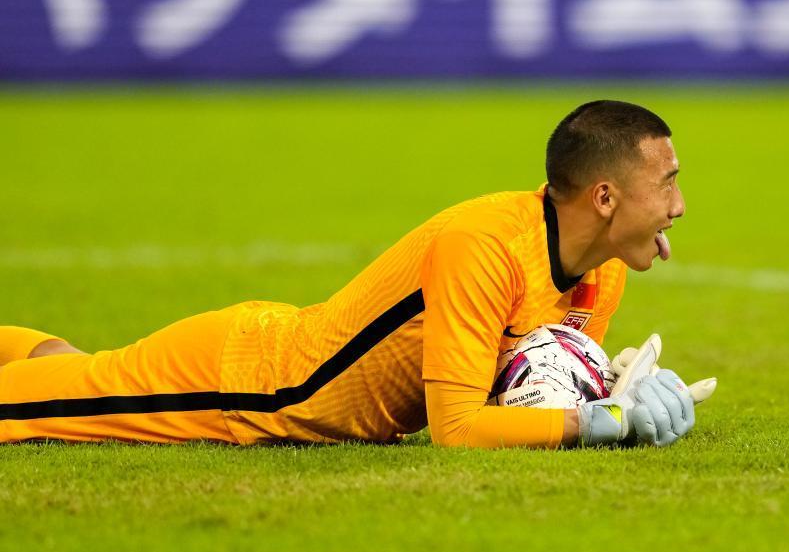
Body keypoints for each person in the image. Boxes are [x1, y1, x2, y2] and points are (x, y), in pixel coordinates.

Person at [0, 100, 695, 449]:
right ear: (604, 197)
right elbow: (457, 428)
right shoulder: (484, 246)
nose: (679, 205)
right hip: (248, 390)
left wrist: (615, 384)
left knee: (77, 374)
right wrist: (600, 420)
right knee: (27, 413)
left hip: (275, 363)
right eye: (666, 182)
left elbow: (523, 385)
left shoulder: (600, 270)